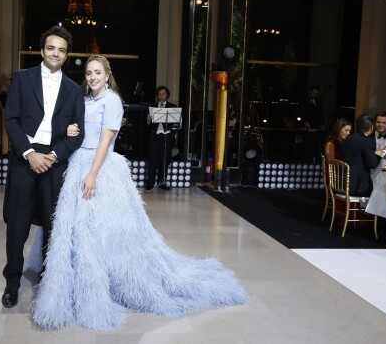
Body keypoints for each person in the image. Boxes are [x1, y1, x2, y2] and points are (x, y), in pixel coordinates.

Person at [27, 55, 247, 331]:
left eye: (98, 72)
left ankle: (106, 280)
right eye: (89, 73)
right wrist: (72, 129)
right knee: (77, 230)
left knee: (102, 230)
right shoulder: (86, 100)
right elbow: (79, 132)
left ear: (107, 75)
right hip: (76, 164)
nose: (93, 77)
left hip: (99, 168)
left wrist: (92, 175)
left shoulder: (112, 101)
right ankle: (72, 279)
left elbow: (106, 141)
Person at [1, 26, 85, 309]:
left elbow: (78, 133)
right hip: (25, 160)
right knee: (17, 225)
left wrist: (53, 156)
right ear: (42, 50)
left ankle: (51, 282)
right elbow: (11, 120)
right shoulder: (22, 78)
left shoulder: (74, 90)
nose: (56, 53)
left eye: (61, 50)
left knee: (52, 226)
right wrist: (28, 153)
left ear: (66, 55)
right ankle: (12, 282)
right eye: (51, 48)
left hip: (53, 163)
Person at [338, 114, 380, 197]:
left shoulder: (344, 141)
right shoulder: (366, 142)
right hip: (358, 187)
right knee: (381, 190)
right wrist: (378, 154)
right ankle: (367, 210)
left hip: (341, 184)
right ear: (371, 128)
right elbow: (373, 164)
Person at [145, 85, 178, 190]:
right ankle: (150, 183)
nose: (161, 96)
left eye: (163, 94)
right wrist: (148, 120)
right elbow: (147, 125)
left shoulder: (173, 107)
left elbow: (175, 123)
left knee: (165, 159)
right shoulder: (152, 106)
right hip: (154, 135)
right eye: (159, 94)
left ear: (167, 95)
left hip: (166, 135)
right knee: (152, 158)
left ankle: (162, 182)